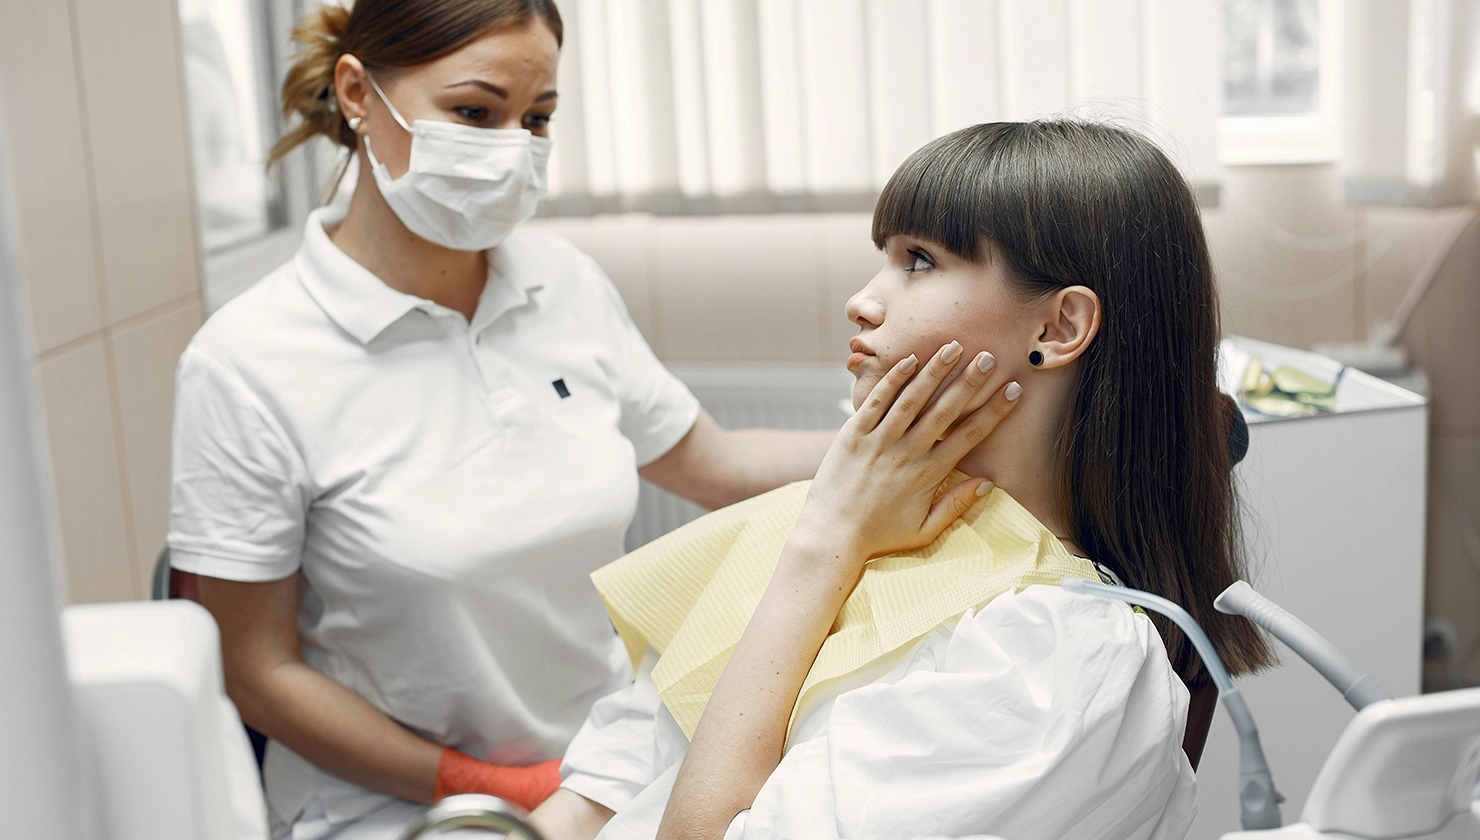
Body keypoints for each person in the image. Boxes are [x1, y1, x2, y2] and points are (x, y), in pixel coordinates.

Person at [165, 2, 833, 838]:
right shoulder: (247, 363)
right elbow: (256, 671)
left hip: (597, 771)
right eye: (475, 113)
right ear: (357, 94)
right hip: (397, 807)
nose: (513, 147)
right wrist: (494, 785)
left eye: (538, 117)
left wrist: (897, 441)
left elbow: (715, 462)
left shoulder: (563, 283)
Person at [527, 121, 1275, 840]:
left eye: (919, 261)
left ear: (1057, 328)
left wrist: (823, 549)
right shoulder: (827, 517)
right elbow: (602, 793)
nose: (864, 300)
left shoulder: (1056, 656)